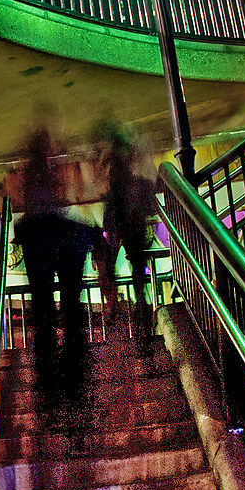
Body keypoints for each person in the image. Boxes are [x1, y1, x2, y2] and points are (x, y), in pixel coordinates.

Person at [11, 120, 94, 396]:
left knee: (43, 303)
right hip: (54, 236)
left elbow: (35, 201)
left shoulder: (33, 179)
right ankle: (73, 365)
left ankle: (47, 370)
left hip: (38, 238)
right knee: (68, 302)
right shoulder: (47, 176)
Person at [96, 122, 161, 342]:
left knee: (111, 265)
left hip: (119, 218)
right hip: (130, 220)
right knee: (136, 266)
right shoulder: (134, 182)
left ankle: (114, 306)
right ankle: (139, 305)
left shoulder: (117, 183)